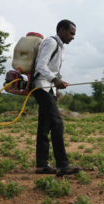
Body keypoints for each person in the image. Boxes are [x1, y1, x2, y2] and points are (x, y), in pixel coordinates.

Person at [32, 19, 81, 176]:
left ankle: (41, 165)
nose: (73, 37)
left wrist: (55, 89)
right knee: (57, 124)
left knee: (44, 127)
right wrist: (54, 80)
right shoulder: (51, 42)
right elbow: (41, 65)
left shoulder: (60, 47)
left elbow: (51, 70)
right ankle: (62, 166)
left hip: (48, 88)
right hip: (41, 87)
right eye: (71, 33)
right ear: (62, 30)